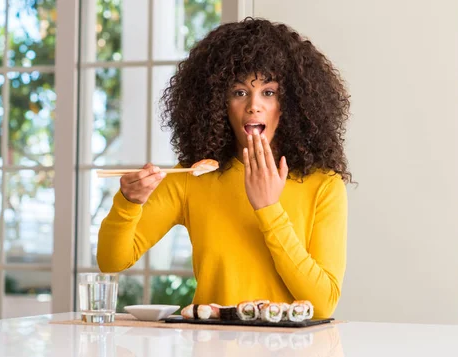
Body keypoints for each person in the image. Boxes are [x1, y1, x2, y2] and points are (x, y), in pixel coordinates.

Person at [97, 17, 351, 319]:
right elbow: (112, 261)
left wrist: (269, 208)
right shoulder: (194, 176)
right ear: (218, 103)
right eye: (239, 92)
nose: (253, 106)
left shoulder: (323, 185)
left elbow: (322, 304)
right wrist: (129, 202)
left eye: (268, 93)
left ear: (292, 103)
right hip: (210, 344)